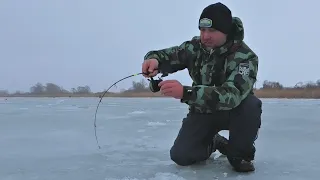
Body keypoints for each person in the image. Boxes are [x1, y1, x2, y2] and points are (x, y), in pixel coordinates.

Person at [141, 2, 262, 172]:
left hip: (234, 111)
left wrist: (186, 92)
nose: (205, 36)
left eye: (212, 31)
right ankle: (213, 142)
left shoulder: (246, 58)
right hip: (203, 110)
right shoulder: (195, 47)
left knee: (251, 105)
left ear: (225, 31)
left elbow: (232, 95)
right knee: (181, 156)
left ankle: (240, 153)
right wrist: (154, 60)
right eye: (202, 30)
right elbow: (166, 55)